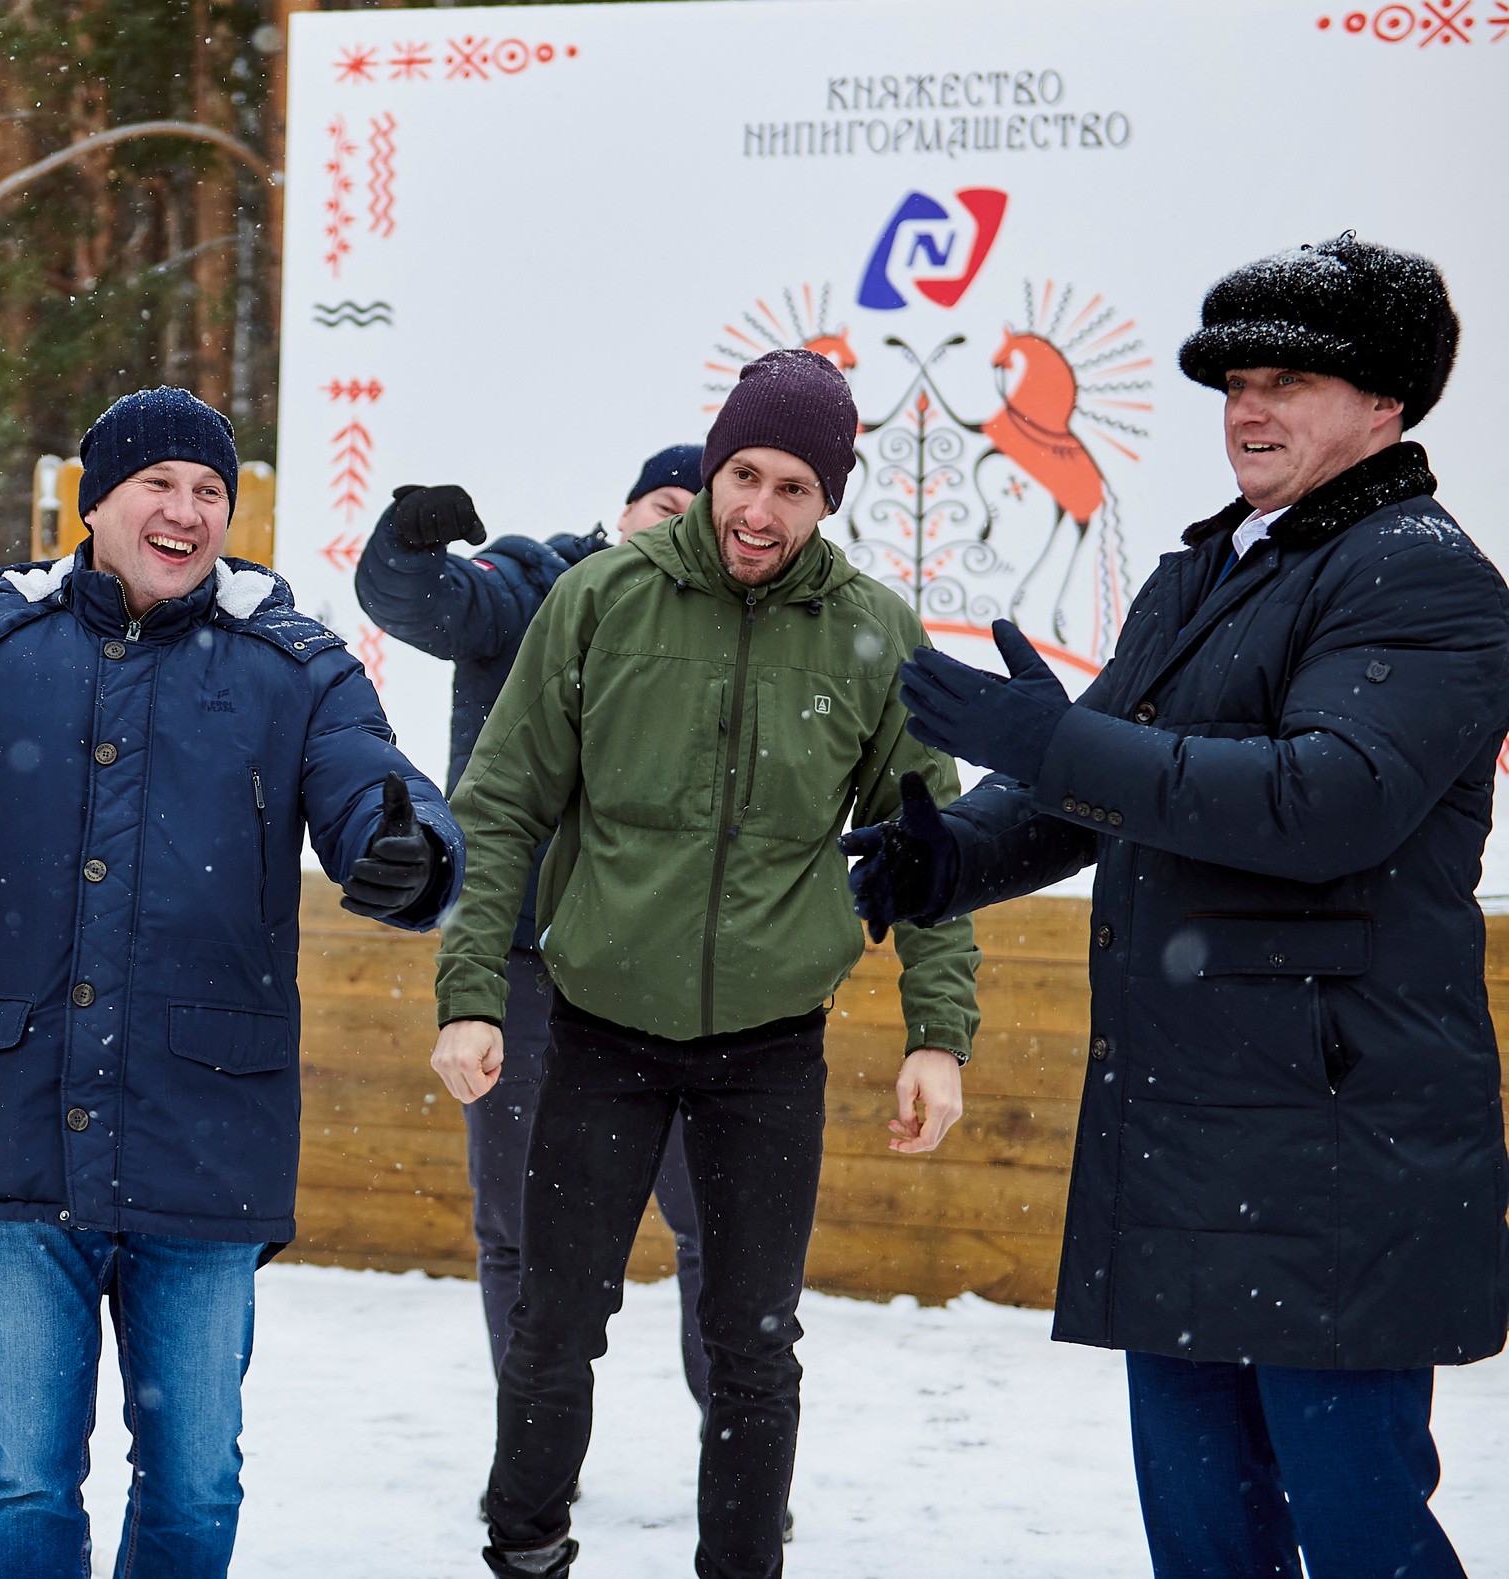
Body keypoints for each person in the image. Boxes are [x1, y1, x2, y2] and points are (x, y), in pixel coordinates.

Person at [852, 232, 1507, 1579]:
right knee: (1207, 1537)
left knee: (1360, 1528)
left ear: (1386, 405)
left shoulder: (1420, 572)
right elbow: (1097, 776)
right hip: (1188, 1133)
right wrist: (950, 856)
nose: (1248, 408)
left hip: (1334, 1140)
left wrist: (1051, 745)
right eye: (1234, 381)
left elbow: (1327, 800)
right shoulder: (1207, 567)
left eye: (1291, 380)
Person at [0, 387, 466, 1579]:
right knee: (26, 1482)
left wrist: (409, 851)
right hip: (15, 1127)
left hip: (206, 1133)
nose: (186, 510)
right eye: (158, 485)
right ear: (95, 503)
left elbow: (370, 789)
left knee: (194, 1486)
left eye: (209, 492)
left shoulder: (293, 667)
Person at [431, 349, 980, 1579]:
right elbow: (504, 802)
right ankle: (525, 1546)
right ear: (714, 466)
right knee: (557, 1320)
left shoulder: (871, 632)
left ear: (827, 499)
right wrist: (471, 994)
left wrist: (939, 1034)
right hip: (599, 1029)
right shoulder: (602, 600)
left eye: (793, 487)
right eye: (743, 474)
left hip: (770, 1050)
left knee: (751, 1339)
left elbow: (930, 849)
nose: (759, 509)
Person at [354, 444, 711, 1400]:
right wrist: (407, 540)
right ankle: (532, 1448)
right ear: (625, 510)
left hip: (678, 978)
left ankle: (739, 1453)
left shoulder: (733, 634)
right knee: (519, 1226)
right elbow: (417, 598)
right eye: (667, 502)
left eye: (702, 512)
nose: (681, 523)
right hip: (524, 967)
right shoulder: (532, 583)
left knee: (715, 1223)